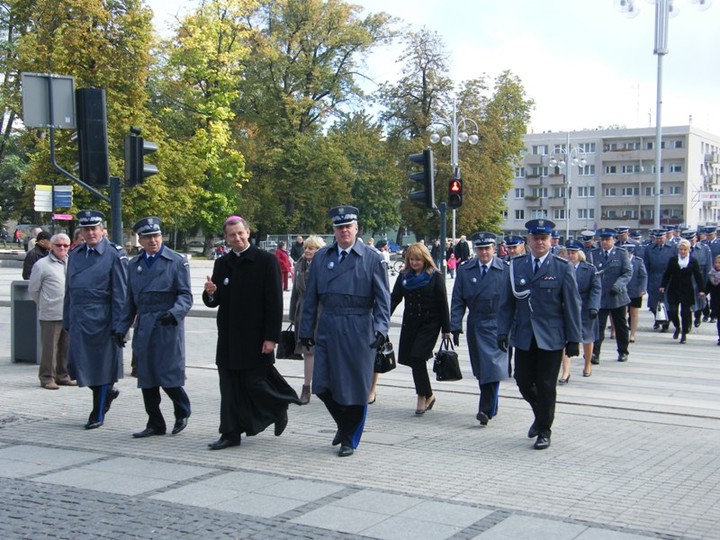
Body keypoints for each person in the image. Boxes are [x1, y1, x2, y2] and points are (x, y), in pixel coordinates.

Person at [299, 205, 390, 457]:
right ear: (333, 231)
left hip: (359, 326)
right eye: (339, 228)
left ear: (356, 228)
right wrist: (306, 329)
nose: (344, 231)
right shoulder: (322, 257)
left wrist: (381, 328)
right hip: (328, 323)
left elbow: (383, 299)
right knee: (323, 386)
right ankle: (343, 424)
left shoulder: (372, 258)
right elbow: (311, 298)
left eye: (348, 226)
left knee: (356, 387)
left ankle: (350, 437)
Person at [202, 216, 300, 450]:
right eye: (231, 235)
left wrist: (271, 337)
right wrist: (210, 293)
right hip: (228, 336)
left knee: (255, 383)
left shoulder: (266, 261)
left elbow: (274, 302)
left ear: (248, 232)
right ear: (225, 238)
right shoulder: (222, 263)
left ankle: (278, 408)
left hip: (256, 336)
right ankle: (230, 433)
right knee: (228, 387)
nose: (236, 238)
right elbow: (213, 301)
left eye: (240, 233)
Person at [497, 219, 582, 450]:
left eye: (544, 238)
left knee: (546, 385)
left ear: (551, 241)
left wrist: (574, 339)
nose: (540, 242)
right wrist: (502, 331)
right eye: (536, 238)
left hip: (551, 337)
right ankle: (540, 414)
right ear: (529, 240)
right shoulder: (516, 266)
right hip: (524, 335)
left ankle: (545, 429)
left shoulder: (562, 267)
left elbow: (572, 306)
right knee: (523, 382)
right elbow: (507, 303)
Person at [116, 217, 193, 438]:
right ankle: (155, 422)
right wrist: (121, 328)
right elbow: (129, 301)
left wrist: (175, 313)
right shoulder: (134, 264)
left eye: (156, 236)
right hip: (145, 324)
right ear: (139, 240)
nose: (153, 240)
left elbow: (185, 295)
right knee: (146, 376)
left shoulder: (176, 261)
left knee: (168, 373)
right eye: (148, 237)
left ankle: (182, 410)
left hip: (167, 323)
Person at [64, 210, 127, 429]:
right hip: (79, 319)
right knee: (77, 365)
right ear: (80, 232)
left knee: (101, 369)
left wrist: (120, 325)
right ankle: (107, 393)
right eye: (86, 229)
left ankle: (97, 413)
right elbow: (69, 290)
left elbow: (121, 293)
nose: (90, 233)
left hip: (103, 320)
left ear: (102, 230)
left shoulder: (114, 254)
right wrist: (66, 318)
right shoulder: (76, 254)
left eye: (94, 228)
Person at [450, 232, 508, 425]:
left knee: (491, 366)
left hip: (497, 324)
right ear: (475, 250)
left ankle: (485, 408)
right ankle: (492, 404)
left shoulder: (505, 270)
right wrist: (455, 325)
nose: (484, 253)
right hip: (476, 324)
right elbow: (458, 299)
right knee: (482, 369)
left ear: (494, 249)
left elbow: (512, 301)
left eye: (487, 248)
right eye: (480, 249)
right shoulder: (466, 270)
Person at [391, 242, 450, 415]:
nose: (415, 262)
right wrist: (381, 318)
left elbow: (442, 303)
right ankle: (428, 394)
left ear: (425, 259)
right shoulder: (404, 276)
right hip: (410, 324)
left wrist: (447, 329)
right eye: (411, 259)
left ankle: (422, 396)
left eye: (418, 259)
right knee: (414, 361)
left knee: (417, 357)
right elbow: (394, 299)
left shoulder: (435, 276)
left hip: (430, 324)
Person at [28, 233, 75, 390]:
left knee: (65, 347)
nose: (62, 248)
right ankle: (47, 377)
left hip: (68, 312)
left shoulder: (72, 262)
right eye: (58, 245)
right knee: (49, 348)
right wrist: (45, 304)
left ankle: (63, 375)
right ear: (51, 246)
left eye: (65, 245)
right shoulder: (41, 265)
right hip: (50, 313)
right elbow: (34, 290)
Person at [289, 235, 326, 404]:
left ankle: (326, 386)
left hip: (322, 312)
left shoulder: (325, 267)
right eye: (306, 248)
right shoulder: (299, 265)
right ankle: (306, 387)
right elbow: (295, 294)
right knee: (308, 351)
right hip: (303, 313)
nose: (307, 251)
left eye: (311, 248)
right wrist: (292, 315)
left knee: (324, 351)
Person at [558, 241, 600, 381]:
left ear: (579, 254)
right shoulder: (561, 268)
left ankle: (587, 364)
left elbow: (596, 289)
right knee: (566, 339)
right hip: (567, 308)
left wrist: (594, 307)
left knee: (587, 338)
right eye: (568, 253)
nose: (571, 256)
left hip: (585, 307)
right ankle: (566, 371)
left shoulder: (590, 269)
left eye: (573, 253)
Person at [591, 228, 632, 364]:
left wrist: (618, 285)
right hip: (601, 297)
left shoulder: (621, 253)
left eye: (607, 239)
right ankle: (595, 353)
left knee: (621, 325)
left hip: (617, 296)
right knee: (598, 326)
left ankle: (623, 351)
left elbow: (627, 273)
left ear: (614, 240)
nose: (604, 242)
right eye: (602, 239)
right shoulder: (594, 254)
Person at [659, 239, 706, 344]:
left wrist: (701, 290)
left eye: (685, 250)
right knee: (672, 311)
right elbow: (667, 273)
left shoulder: (693, 261)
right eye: (681, 249)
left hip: (687, 289)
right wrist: (663, 285)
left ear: (689, 250)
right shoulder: (673, 260)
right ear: (678, 250)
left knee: (685, 312)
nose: (683, 252)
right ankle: (677, 327)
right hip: (674, 288)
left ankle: (684, 333)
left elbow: (698, 276)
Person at [644, 229, 677, 331]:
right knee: (654, 303)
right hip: (654, 278)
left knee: (667, 303)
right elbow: (646, 265)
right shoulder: (649, 248)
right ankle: (657, 319)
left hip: (669, 278)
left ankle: (666, 322)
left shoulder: (673, 247)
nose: (659, 240)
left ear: (665, 237)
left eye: (661, 238)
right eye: (657, 238)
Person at [624, 242, 648, 343]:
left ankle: (632, 334)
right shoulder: (620, 261)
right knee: (621, 313)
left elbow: (643, 276)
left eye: (629, 251)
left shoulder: (638, 261)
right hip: (622, 291)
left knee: (634, 314)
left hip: (635, 291)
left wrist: (643, 289)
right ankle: (616, 331)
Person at [705, 255, 720, 345]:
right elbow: (708, 287)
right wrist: (703, 293)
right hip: (716, 301)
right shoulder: (712, 274)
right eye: (716, 263)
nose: (717, 265)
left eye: (719, 263)